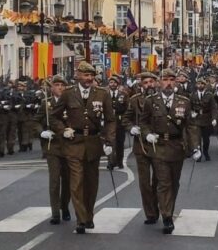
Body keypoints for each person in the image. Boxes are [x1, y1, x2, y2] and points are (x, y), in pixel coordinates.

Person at [134, 69, 201, 234]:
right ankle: (167, 217)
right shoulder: (151, 101)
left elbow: (190, 126)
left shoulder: (184, 102)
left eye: (172, 80)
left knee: (174, 182)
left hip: (177, 146)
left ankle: (168, 208)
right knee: (164, 183)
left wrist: (195, 147)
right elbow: (143, 122)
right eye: (165, 80)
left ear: (176, 82)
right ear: (160, 82)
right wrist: (147, 134)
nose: (168, 83)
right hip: (159, 146)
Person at [57, 62, 117, 234]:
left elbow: (111, 120)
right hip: (74, 142)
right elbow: (55, 116)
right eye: (86, 75)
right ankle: (81, 219)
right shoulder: (68, 93)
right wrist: (63, 130)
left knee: (91, 183)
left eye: (91, 75)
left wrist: (109, 141)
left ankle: (89, 215)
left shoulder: (102, 94)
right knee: (76, 182)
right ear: (78, 75)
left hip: (93, 142)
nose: (89, 78)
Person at [37, 75, 73, 224]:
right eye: (57, 85)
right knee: (54, 180)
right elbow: (35, 121)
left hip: (69, 145)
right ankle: (55, 212)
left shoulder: (72, 102)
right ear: (51, 88)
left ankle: (65, 206)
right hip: (52, 145)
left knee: (68, 180)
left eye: (62, 85)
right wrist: (42, 132)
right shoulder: (46, 104)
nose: (60, 88)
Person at [125, 72, 159, 224]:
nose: (149, 85)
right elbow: (126, 119)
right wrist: (131, 128)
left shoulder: (162, 99)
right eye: (146, 83)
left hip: (158, 144)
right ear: (141, 85)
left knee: (158, 181)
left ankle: (158, 207)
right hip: (141, 145)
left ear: (156, 83)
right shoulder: (134, 100)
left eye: (151, 82)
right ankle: (150, 213)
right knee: (144, 183)